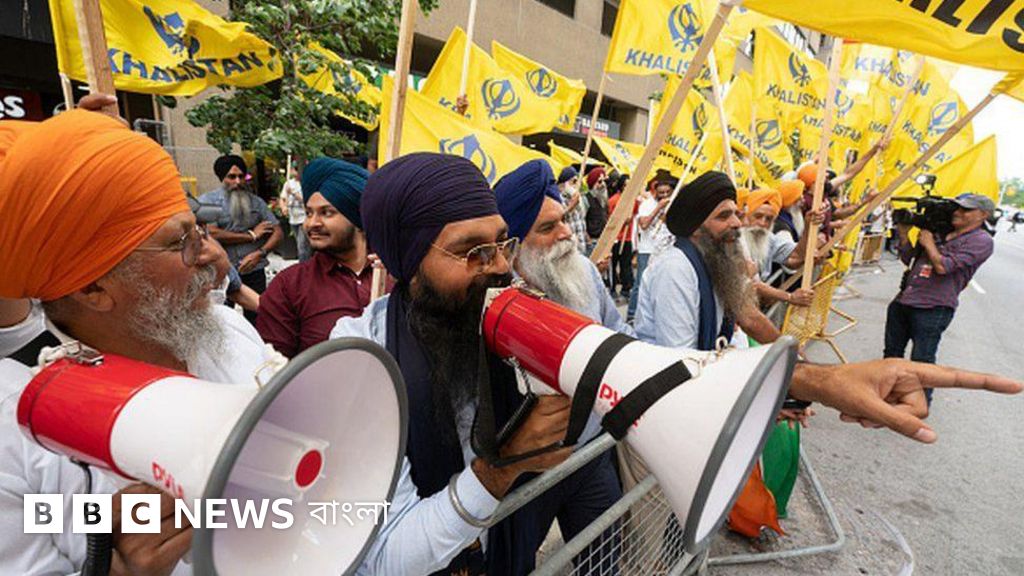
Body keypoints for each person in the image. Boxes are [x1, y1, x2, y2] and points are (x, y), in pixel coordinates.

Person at [0, 105, 274, 576]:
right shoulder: (12, 426)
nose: (212, 256)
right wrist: (116, 570)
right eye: (180, 242)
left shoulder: (226, 329)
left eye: (199, 230)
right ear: (93, 288)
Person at [334, 153, 602, 576]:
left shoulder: (489, 316)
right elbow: (386, 558)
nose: (500, 266)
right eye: (472, 251)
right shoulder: (360, 359)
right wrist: (505, 465)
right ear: (408, 260)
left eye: (501, 243)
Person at [634, 171, 781, 350]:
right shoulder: (674, 269)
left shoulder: (717, 261)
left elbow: (750, 318)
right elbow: (680, 355)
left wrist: (792, 354)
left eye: (736, 214)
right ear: (695, 227)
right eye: (723, 216)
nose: (737, 223)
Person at [257, 157, 380, 358]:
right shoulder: (288, 287)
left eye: (327, 213)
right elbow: (274, 367)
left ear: (357, 217)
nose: (312, 223)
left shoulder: (395, 275)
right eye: (308, 213)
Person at [495, 159, 631, 336]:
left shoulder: (586, 270)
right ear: (515, 246)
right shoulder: (500, 303)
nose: (567, 232)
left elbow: (618, 330)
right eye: (547, 228)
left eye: (564, 219)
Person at [884, 193, 997, 404]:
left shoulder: (981, 241)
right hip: (904, 300)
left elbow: (943, 267)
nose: (958, 212)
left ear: (983, 214)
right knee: (891, 354)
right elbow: (909, 259)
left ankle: (919, 405)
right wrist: (904, 235)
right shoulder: (940, 230)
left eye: (966, 210)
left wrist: (929, 243)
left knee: (922, 361)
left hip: (933, 307)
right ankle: (888, 394)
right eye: (957, 208)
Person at [199, 154, 282, 323]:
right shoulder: (208, 202)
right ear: (222, 178)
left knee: (259, 317)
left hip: (254, 269)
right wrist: (251, 235)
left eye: (241, 176)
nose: (237, 181)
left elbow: (278, 231)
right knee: (222, 319)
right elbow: (211, 233)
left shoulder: (256, 203)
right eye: (231, 177)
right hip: (222, 271)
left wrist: (260, 253)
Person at [739, 187, 820, 308]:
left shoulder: (769, 238)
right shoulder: (734, 240)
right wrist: (789, 297)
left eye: (768, 219)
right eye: (758, 216)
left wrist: (808, 227)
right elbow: (752, 282)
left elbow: (796, 256)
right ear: (745, 215)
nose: (762, 223)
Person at [627, 178, 676, 322]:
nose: (665, 195)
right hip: (648, 250)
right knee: (641, 283)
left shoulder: (673, 204)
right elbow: (643, 225)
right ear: (655, 192)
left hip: (666, 250)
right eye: (661, 192)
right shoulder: (647, 204)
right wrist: (658, 208)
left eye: (667, 192)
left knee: (662, 283)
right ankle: (631, 314)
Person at [607, 174, 635, 302]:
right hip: (615, 238)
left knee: (626, 265)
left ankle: (626, 289)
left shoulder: (632, 201)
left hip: (627, 238)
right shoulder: (613, 200)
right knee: (613, 264)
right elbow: (610, 220)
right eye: (625, 185)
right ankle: (612, 289)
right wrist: (623, 221)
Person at [280, 165, 311, 261]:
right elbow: (282, 198)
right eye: (293, 169)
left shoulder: (306, 183)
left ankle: (303, 265)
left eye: (296, 170)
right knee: (299, 243)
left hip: (304, 217)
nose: (293, 172)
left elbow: (307, 200)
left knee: (302, 245)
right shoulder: (288, 183)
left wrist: (293, 193)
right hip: (293, 218)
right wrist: (283, 207)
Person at [557, 166, 588, 254]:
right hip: (568, 251)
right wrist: (570, 207)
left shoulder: (575, 197)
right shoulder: (558, 200)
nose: (576, 185)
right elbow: (557, 219)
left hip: (581, 249)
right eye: (574, 181)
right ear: (565, 183)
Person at [583, 166, 609, 255]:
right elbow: (582, 220)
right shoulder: (586, 199)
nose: (603, 184)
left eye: (605, 181)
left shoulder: (603, 199)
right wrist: (588, 240)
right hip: (592, 243)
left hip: (603, 242)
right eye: (600, 181)